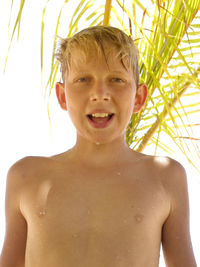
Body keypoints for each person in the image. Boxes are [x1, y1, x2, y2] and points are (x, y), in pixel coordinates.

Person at [0, 26, 197, 267]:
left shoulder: (165, 177)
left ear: (139, 98)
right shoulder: (26, 176)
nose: (100, 94)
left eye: (117, 79)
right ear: (62, 96)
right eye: (83, 80)